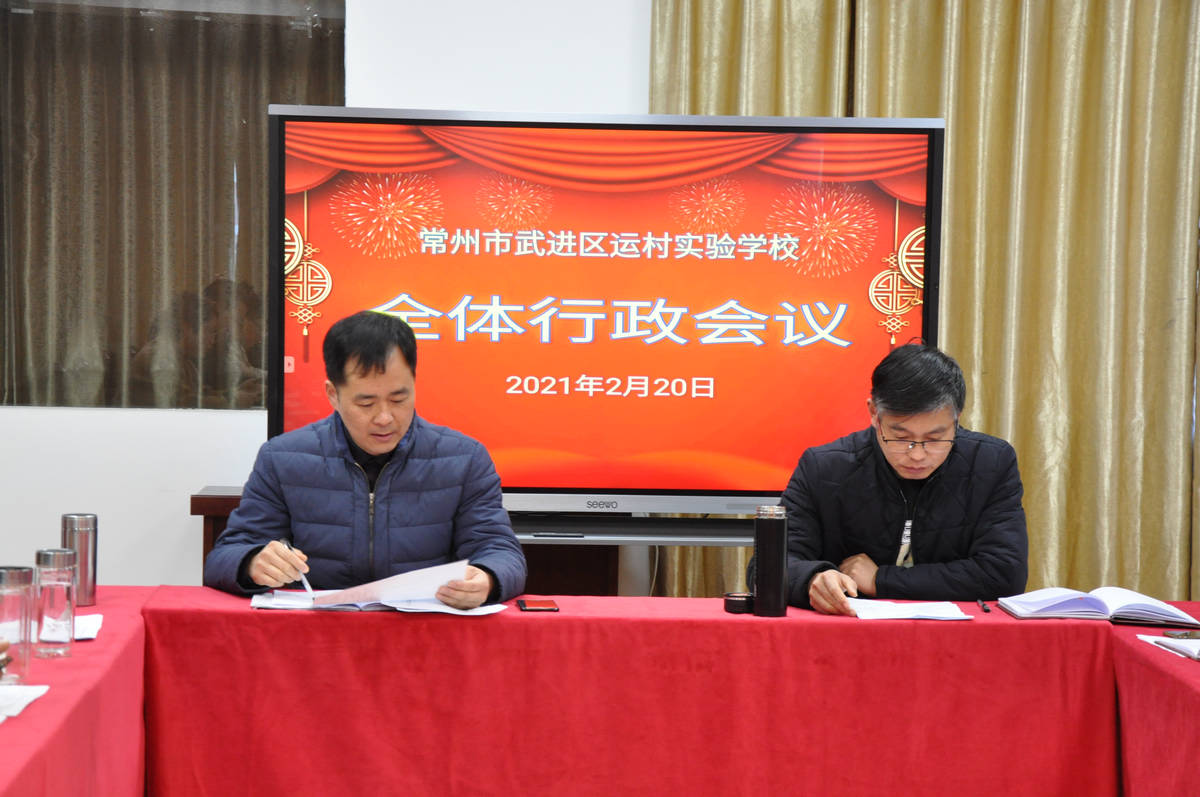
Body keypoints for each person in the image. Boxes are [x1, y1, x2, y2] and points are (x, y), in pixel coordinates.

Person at [204, 310, 527, 608]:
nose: (385, 418)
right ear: (333, 394)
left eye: (399, 399)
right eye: (366, 403)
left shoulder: (464, 459)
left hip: (423, 633)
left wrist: (487, 578)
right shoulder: (282, 458)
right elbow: (225, 556)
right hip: (318, 633)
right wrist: (252, 563)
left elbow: (500, 551)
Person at [751, 343, 1027, 615]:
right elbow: (766, 568)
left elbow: (1005, 573)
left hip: (955, 636)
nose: (917, 455)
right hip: (847, 632)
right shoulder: (824, 468)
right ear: (874, 413)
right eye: (901, 437)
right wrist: (812, 579)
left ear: (957, 419)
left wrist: (880, 580)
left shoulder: (990, 463)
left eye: (935, 438)